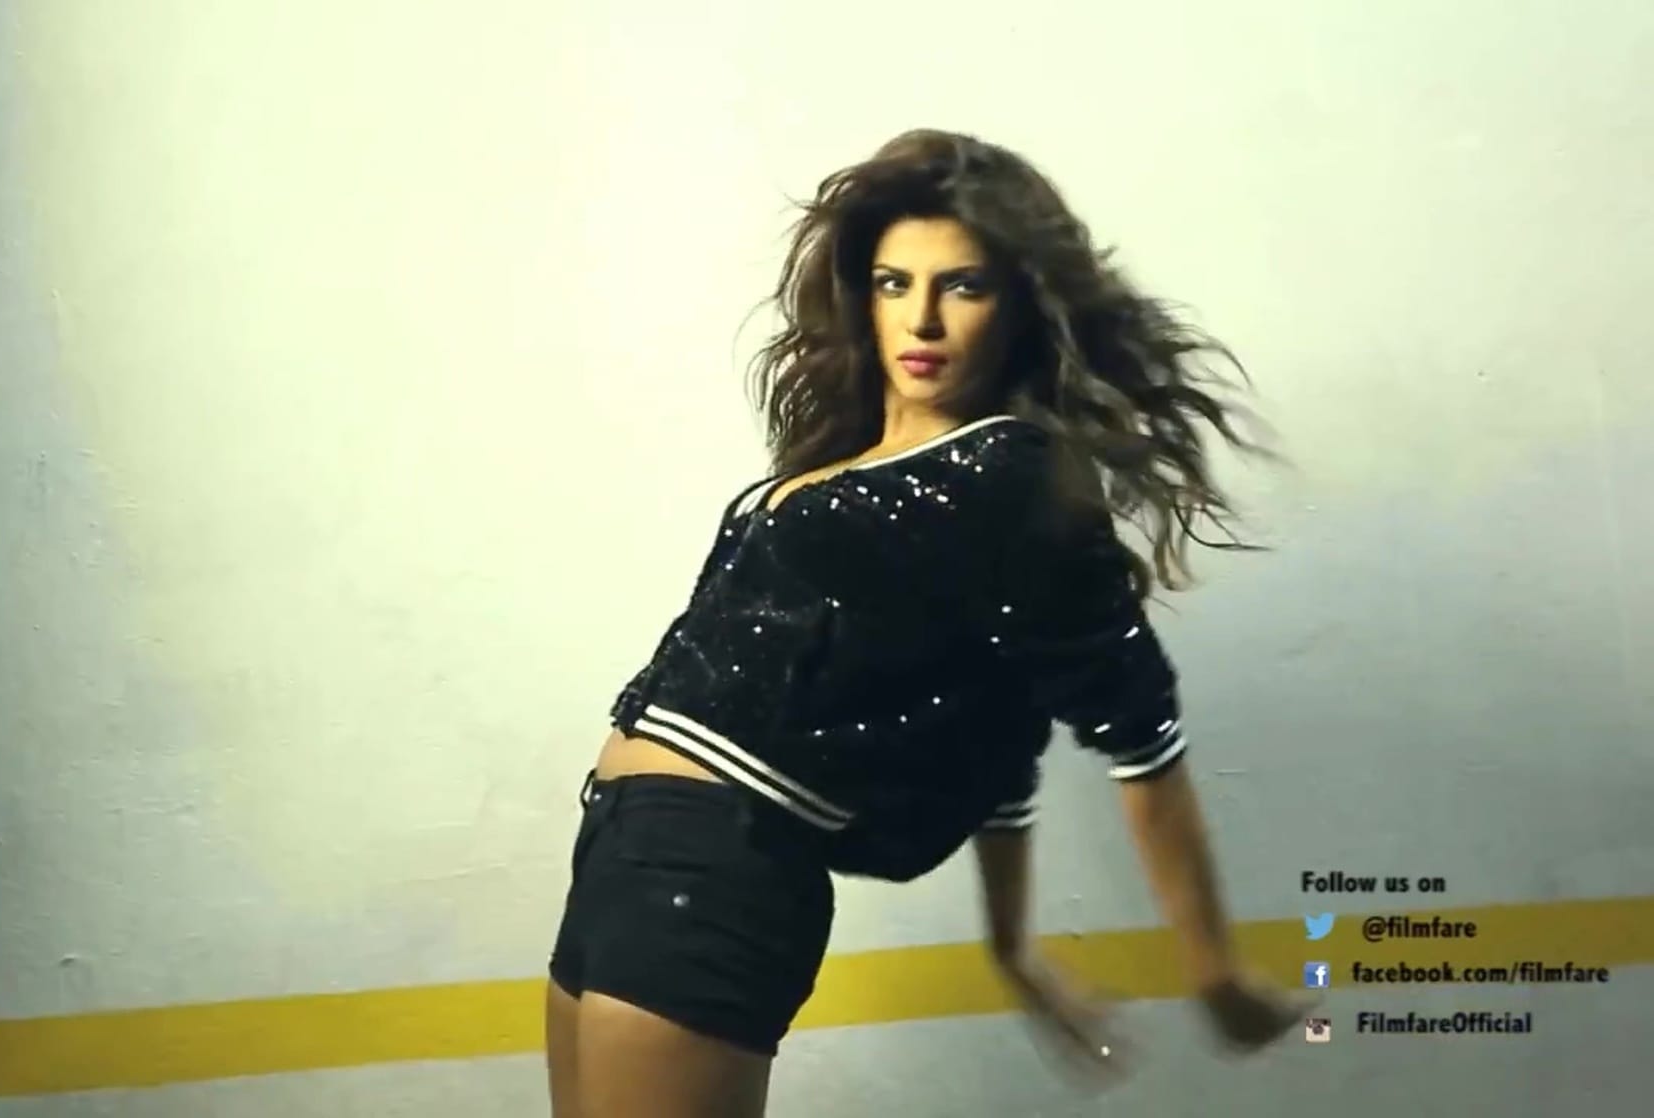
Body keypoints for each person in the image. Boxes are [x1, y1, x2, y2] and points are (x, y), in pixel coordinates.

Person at [543, 128, 1316, 1118]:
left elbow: (1139, 729)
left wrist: (1210, 966)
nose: (921, 318)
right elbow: (995, 729)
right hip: (620, 849)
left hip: (712, 869)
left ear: (1017, 305)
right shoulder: (850, 460)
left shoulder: (1007, 470)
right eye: (893, 282)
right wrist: (1011, 946)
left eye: (962, 286)